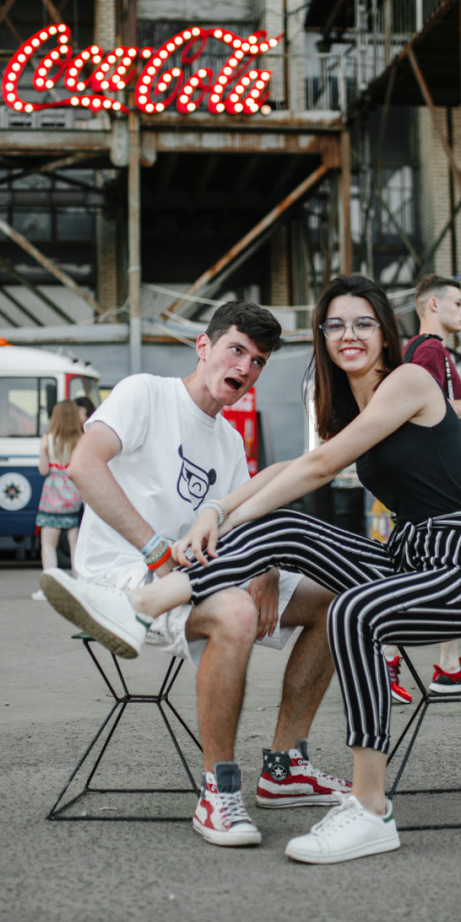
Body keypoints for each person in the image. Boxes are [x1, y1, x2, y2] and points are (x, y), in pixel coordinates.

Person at [43, 275, 461, 864]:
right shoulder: (355, 413)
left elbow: (315, 467)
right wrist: (218, 508)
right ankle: (145, 608)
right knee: (288, 533)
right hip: (408, 554)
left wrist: (223, 522)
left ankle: (371, 810)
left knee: (353, 610)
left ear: (388, 335)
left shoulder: (409, 381)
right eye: (335, 324)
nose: (349, 334)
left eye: (364, 322)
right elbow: (287, 471)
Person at [39, 301, 349, 848]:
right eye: (237, 350)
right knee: (236, 611)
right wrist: (156, 548)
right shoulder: (145, 393)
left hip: (198, 571)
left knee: (331, 601)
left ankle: (284, 769)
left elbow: (240, 516)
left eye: (257, 362)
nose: (245, 368)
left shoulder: (229, 441)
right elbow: (84, 465)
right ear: (203, 347)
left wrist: (267, 568)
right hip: (128, 573)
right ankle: (218, 791)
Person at [389, 274, 461, 703]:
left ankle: (450, 667)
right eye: (457, 303)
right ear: (432, 306)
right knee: (451, 566)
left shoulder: (419, 351)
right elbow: (424, 410)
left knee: (444, 566)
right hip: (442, 483)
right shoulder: (430, 350)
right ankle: (387, 662)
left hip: (432, 481)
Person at [36, 398, 85, 572]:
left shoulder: (47, 440)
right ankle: (78, 585)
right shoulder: (81, 440)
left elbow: (43, 470)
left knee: (48, 545)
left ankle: (50, 584)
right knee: (76, 545)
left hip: (53, 498)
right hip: (74, 495)